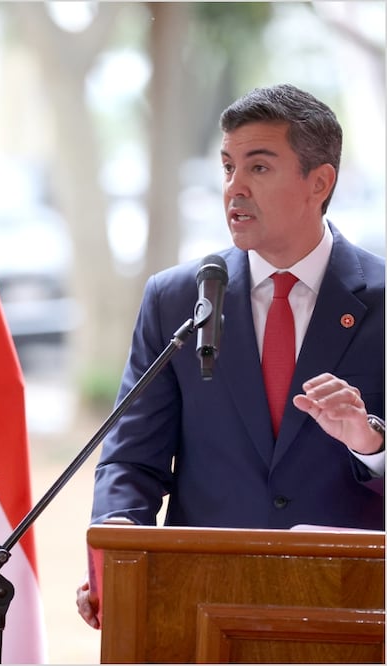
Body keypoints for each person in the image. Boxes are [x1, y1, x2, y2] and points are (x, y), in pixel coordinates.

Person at [76, 84, 384, 629]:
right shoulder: (178, 298)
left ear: (320, 182)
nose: (233, 188)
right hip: (200, 604)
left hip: (348, 606)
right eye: (227, 167)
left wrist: (372, 444)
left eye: (258, 168)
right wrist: (121, 537)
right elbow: (131, 458)